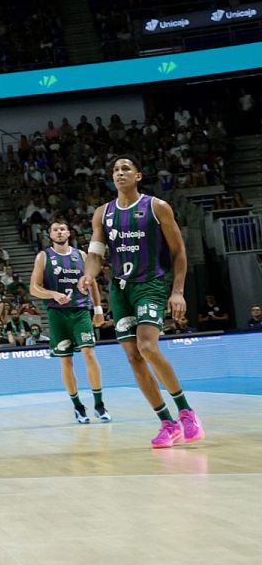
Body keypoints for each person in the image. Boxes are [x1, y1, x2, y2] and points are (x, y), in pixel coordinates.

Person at [80, 157, 202, 448]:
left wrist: (178, 291)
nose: (120, 173)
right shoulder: (102, 214)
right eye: (115, 170)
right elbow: (96, 254)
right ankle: (167, 423)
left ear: (138, 176)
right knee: (134, 357)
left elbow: (179, 251)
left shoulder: (157, 207)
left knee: (148, 347)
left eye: (126, 169)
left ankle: (186, 411)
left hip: (151, 285)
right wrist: (88, 275)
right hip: (120, 290)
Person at [28, 220, 109, 424]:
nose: (60, 232)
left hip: (80, 311)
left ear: (69, 232)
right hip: (57, 314)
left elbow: (92, 284)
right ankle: (78, 407)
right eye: (55, 229)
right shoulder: (44, 257)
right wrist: (53, 294)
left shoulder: (81, 255)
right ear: (50, 234)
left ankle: (99, 404)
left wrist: (98, 310)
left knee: (89, 354)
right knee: (66, 360)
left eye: (63, 229)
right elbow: (33, 288)